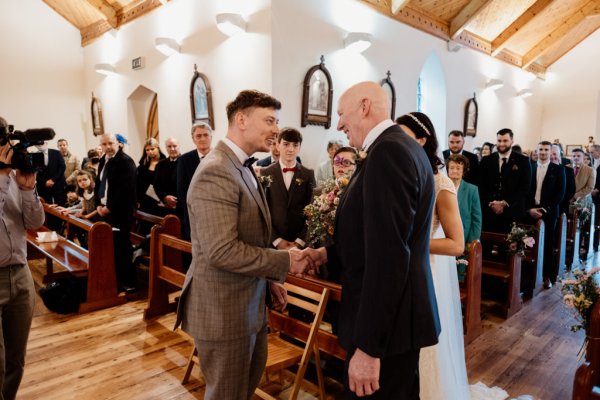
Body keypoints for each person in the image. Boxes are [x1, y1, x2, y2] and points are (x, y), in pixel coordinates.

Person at [174, 90, 319, 400]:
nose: (276, 130)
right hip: (224, 310)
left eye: (277, 121)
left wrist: (267, 281)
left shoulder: (241, 167)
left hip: (247, 305)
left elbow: (250, 238)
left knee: (243, 391)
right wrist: (285, 261)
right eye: (269, 120)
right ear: (241, 120)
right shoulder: (216, 170)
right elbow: (221, 251)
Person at [314, 82, 441, 399]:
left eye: (342, 113)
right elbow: (370, 237)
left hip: (386, 332)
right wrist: (325, 255)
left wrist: (369, 349)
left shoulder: (389, 152)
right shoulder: (393, 147)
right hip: (393, 323)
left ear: (365, 106)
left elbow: (389, 258)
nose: (339, 124)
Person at [397, 112, 470, 400]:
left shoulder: (440, 182)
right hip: (396, 269)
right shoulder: (398, 173)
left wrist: (414, 242)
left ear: (422, 140)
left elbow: (456, 245)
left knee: (425, 348)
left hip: (425, 270)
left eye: (404, 136)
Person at [0, 116, 45, 400]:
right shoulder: (6, 178)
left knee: (16, 360)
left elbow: (34, 221)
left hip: (21, 275)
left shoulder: (16, 176)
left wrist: (27, 189)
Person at [96, 133, 137, 291]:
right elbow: (100, 183)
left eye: (111, 143)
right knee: (109, 245)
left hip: (120, 211)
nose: (108, 147)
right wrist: (99, 204)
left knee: (122, 246)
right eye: (104, 144)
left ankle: (128, 282)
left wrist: (110, 207)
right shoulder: (103, 160)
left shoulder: (125, 162)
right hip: (105, 209)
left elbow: (125, 189)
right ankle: (114, 278)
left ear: (118, 143)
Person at [262, 128, 315, 249]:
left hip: (301, 244)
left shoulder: (308, 174)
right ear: (278, 145)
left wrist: (300, 241)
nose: (291, 149)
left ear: (299, 147)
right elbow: (263, 211)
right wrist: (276, 240)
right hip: (273, 243)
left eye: (295, 145)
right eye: (286, 144)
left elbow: (313, 211)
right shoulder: (266, 173)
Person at [525, 141, 565, 288]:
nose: (543, 152)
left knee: (547, 244)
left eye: (546, 150)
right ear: (537, 151)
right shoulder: (530, 167)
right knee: (528, 243)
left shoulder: (558, 170)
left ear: (550, 151)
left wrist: (544, 209)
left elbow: (559, 194)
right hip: (530, 211)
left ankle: (546, 276)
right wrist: (529, 209)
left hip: (548, 211)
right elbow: (525, 190)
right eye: (540, 149)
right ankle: (528, 276)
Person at [479, 128, 531, 233]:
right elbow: (481, 185)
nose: (502, 144)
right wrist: (492, 203)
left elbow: (524, 187)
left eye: (505, 141)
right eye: (499, 141)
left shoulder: (523, 161)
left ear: (512, 141)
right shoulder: (486, 160)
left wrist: (504, 203)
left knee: (507, 248)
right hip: (489, 212)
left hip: (512, 211)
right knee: (486, 247)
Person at [176, 122, 213, 241]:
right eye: (198, 136)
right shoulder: (185, 159)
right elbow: (182, 189)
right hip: (194, 213)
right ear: (193, 139)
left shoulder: (221, 156)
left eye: (206, 135)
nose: (202, 138)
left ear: (211, 137)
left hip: (217, 211)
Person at [447, 154, 482, 245]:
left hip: (464, 238)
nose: (454, 171)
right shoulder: (441, 188)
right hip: (444, 236)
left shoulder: (472, 190)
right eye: (452, 168)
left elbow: (476, 219)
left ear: (464, 171)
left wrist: (471, 242)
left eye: (458, 168)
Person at [136, 137, 166, 215]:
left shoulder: (165, 163)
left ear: (158, 148)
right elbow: (137, 183)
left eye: (152, 149)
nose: (150, 152)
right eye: (147, 150)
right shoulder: (142, 165)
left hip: (160, 201)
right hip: (145, 201)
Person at [154, 137, 181, 216]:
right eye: (169, 146)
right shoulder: (160, 164)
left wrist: (177, 201)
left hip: (182, 207)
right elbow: (157, 185)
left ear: (179, 146)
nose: (172, 149)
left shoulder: (185, 162)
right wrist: (165, 197)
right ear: (166, 148)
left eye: (175, 146)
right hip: (165, 207)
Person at [34, 141, 66, 206]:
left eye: (41, 143)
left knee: (61, 205)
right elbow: (35, 172)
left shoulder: (56, 152)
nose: (40, 145)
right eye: (37, 144)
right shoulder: (34, 155)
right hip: (43, 186)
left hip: (57, 184)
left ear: (46, 143)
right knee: (47, 206)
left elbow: (62, 167)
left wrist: (53, 180)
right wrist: (44, 182)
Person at [552, 144, 575, 217]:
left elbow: (571, 190)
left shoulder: (568, 170)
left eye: (555, 154)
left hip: (562, 205)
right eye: (550, 154)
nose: (552, 157)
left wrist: (559, 201)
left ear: (560, 155)